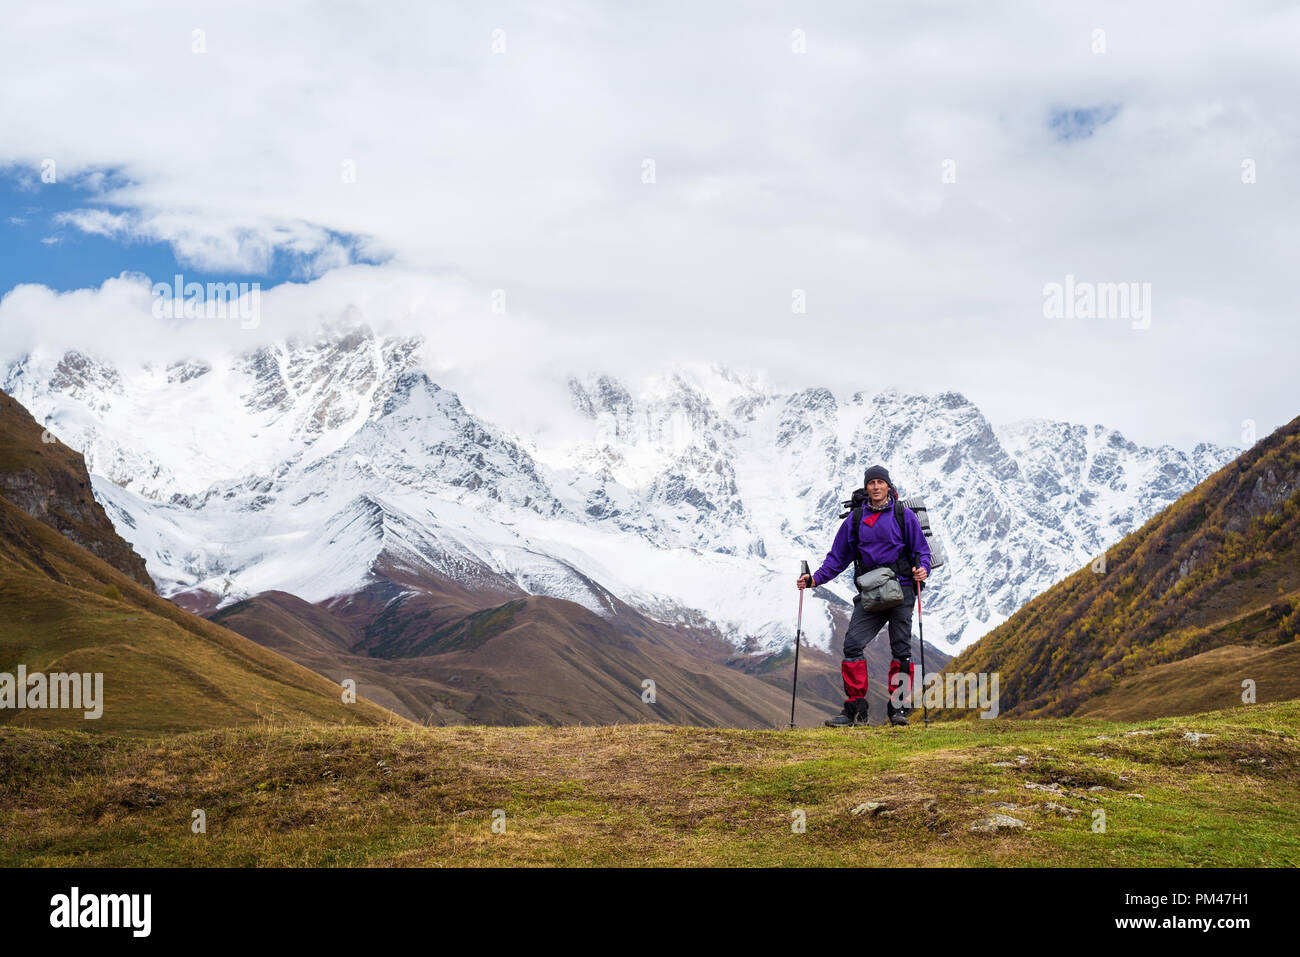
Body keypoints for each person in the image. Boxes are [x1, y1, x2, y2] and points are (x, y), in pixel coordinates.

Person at [797, 465, 930, 727]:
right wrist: (814, 580)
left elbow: (921, 551)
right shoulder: (855, 520)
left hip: (902, 589)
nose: (876, 487)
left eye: (881, 482)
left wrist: (923, 569)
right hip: (870, 593)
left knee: (901, 649)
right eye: (872, 483)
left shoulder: (904, 516)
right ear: (866, 487)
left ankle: (898, 710)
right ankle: (856, 711)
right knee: (852, 645)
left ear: (889, 487)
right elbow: (836, 559)